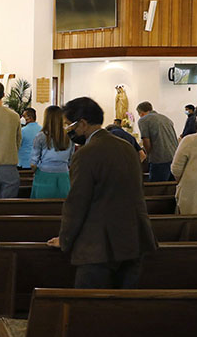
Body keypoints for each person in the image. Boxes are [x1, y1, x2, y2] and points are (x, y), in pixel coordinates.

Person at [46, 97, 156, 288]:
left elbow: (77, 203)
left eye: (68, 125)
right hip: (134, 240)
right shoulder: (127, 148)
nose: (67, 131)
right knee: (122, 306)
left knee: (90, 308)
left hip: (98, 246)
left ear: (82, 123)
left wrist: (65, 240)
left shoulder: (86, 154)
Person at [29, 105, 74, 199]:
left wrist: (36, 171)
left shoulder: (41, 136)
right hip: (63, 176)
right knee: (61, 208)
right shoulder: (69, 137)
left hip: (44, 175)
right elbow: (71, 161)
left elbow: (33, 163)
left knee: (41, 208)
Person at [137, 101, 179, 182]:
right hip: (174, 156)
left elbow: (146, 140)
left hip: (159, 158)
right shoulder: (166, 118)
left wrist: (148, 154)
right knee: (170, 187)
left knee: (156, 188)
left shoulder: (143, 120)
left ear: (141, 113)